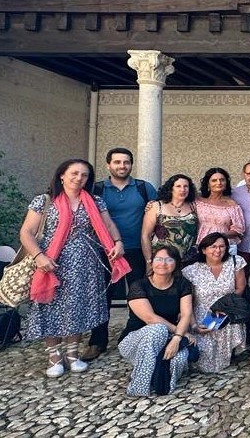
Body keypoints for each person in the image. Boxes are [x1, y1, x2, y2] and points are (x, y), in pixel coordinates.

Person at [19, 159, 125, 377]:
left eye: (84, 175)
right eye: (74, 173)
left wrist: (118, 242)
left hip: (86, 265)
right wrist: (39, 257)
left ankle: (73, 354)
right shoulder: (44, 201)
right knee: (51, 307)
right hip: (51, 263)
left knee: (79, 307)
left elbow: (108, 224)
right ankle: (54, 357)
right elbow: (26, 232)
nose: (79, 178)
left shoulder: (95, 201)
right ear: (62, 176)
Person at [85, 147, 158, 361]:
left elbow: (157, 214)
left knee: (138, 295)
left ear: (131, 165)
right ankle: (97, 341)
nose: (122, 166)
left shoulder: (144, 188)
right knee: (102, 296)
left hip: (136, 248)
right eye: (117, 162)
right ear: (108, 165)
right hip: (104, 251)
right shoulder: (97, 189)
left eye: (126, 162)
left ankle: (134, 336)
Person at [118, 245, 195, 396]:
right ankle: (139, 387)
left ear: (176, 263)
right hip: (134, 340)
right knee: (157, 329)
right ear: (151, 262)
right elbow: (150, 318)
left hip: (169, 338)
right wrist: (180, 334)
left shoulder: (182, 284)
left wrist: (176, 338)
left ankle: (159, 381)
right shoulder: (139, 286)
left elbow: (186, 314)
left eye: (169, 259)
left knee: (179, 359)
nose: (163, 263)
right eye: (159, 259)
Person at [182, 232, 248, 373]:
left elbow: (240, 288)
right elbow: (187, 301)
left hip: (227, 309)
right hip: (201, 311)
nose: (218, 250)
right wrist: (193, 324)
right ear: (204, 250)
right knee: (203, 355)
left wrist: (223, 307)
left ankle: (230, 352)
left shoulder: (235, 262)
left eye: (221, 246)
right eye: (213, 247)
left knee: (225, 325)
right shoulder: (191, 271)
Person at [141, 174, 199, 265]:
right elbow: (145, 236)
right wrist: (149, 261)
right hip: (162, 260)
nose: (182, 189)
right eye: (178, 186)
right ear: (171, 189)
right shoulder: (156, 206)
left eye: (186, 186)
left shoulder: (194, 206)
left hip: (188, 260)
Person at [195, 167, 245, 249]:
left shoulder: (232, 205)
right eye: (214, 180)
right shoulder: (198, 202)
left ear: (226, 183)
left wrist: (220, 236)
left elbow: (238, 229)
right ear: (208, 184)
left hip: (222, 246)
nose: (219, 183)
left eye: (222, 180)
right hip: (200, 245)